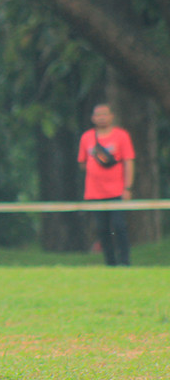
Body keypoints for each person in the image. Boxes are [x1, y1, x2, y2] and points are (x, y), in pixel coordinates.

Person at [77, 103, 135, 266]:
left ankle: (125, 262)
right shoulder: (87, 137)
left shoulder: (121, 136)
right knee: (102, 229)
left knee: (119, 226)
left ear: (111, 116)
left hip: (117, 191)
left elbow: (128, 161)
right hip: (95, 193)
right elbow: (82, 162)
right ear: (93, 118)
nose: (101, 118)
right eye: (98, 115)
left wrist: (127, 187)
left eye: (104, 114)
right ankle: (110, 263)